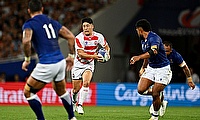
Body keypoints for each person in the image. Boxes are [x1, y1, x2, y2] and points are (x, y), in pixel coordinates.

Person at [21, 0, 77, 120]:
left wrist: (27, 59)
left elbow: (26, 41)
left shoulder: (29, 24)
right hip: (61, 62)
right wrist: (71, 56)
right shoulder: (52, 22)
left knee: (28, 92)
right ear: (42, 9)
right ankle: (72, 117)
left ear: (29, 11)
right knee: (61, 91)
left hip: (47, 63)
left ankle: (41, 119)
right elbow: (71, 37)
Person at [130, 19, 172, 120]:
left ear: (140, 30)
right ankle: (160, 99)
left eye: (136, 30)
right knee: (140, 90)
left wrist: (138, 57)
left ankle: (155, 116)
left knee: (154, 93)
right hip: (151, 68)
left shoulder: (154, 38)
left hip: (163, 69)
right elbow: (148, 55)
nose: (136, 32)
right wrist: (143, 67)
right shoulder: (143, 40)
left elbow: (154, 51)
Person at [70, 17, 110, 115]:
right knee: (75, 90)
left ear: (92, 26)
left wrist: (107, 55)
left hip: (89, 64)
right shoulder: (79, 38)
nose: (85, 28)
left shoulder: (99, 36)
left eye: (87, 26)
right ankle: (74, 102)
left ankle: (80, 105)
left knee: (86, 83)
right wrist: (94, 56)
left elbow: (106, 47)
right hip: (78, 64)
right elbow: (80, 54)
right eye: (84, 26)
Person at [149, 40, 196, 117]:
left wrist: (190, 80)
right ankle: (161, 102)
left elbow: (185, 67)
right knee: (149, 90)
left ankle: (155, 108)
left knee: (157, 89)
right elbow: (148, 57)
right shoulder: (156, 52)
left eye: (167, 51)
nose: (165, 53)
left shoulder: (176, 55)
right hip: (155, 70)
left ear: (171, 50)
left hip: (167, 73)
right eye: (163, 50)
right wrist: (143, 68)